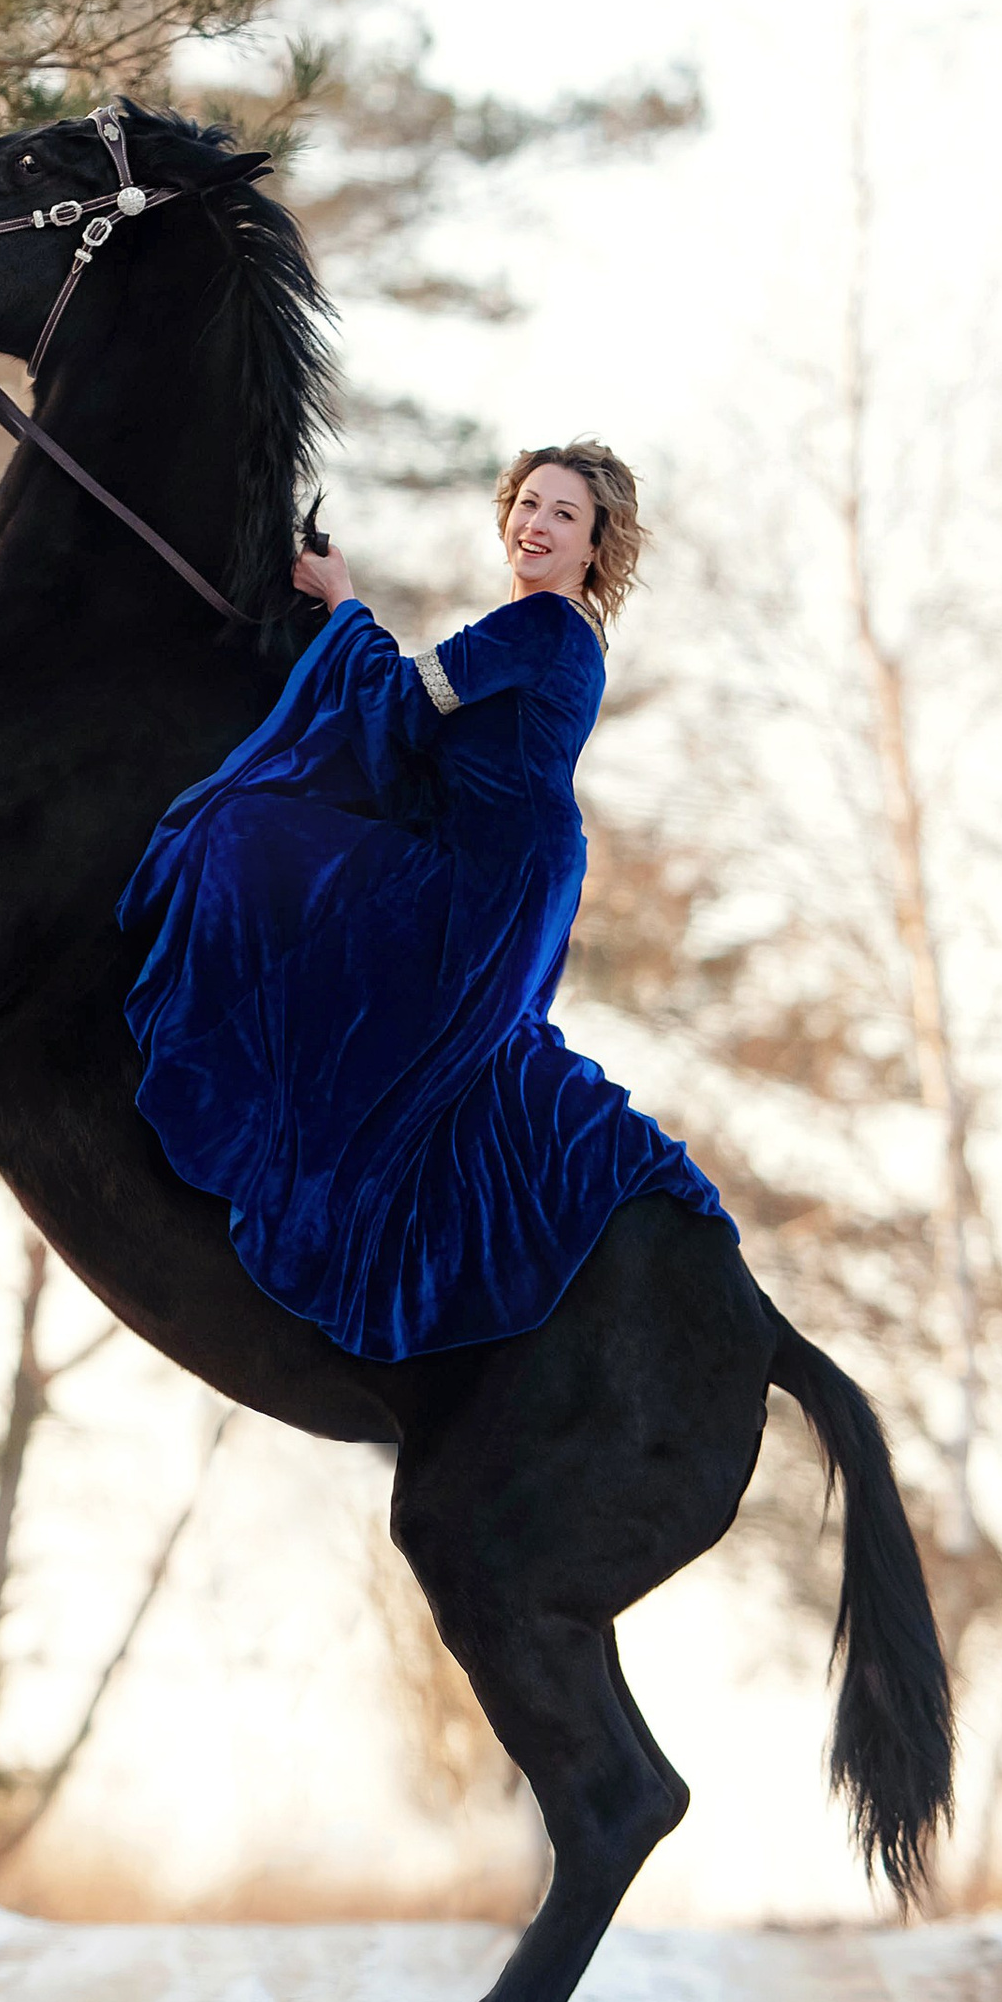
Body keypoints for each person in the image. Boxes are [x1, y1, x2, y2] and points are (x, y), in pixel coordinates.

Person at [118, 440, 734, 1361]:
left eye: (565, 515)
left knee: (246, 836)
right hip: (504, 865)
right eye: (529, 503)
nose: (538, 524)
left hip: (487, 878)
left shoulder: (540, 631)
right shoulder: (548, 634)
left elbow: (407, 709)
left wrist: (343, 602)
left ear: (595, 547)